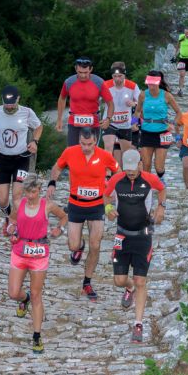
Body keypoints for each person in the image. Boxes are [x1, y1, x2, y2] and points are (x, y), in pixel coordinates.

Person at [47, 128, 119, 301]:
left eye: (90, 144)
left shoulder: (104, 155)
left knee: (96, 246)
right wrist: (52, 183)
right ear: (79, 140)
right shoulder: (70, 152)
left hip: (96, 206)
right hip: (76, 204)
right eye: (83, 144)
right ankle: (79, 247)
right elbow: (57, 168)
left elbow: (118, 171)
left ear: (96, 141)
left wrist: (110, 182)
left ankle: (87, 282)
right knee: (72, 245)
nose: (86, 147)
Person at [104, 149, 166, 343]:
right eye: (127, 169)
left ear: (140, 164)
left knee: (141, 281)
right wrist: (108, 209)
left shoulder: (149, 180)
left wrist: (161, 207)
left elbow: (162, 189)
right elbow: (106, 196)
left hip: (143, 235)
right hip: (121, 236)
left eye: (133, 168)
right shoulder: (116, 180)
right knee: (119, 280)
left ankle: (138, 324)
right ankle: (128, 288)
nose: (130, 172)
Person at [6, 174, 67, 354]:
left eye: (34, 191)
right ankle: (22, 299)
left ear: (39, 190)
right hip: (20, 251)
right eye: (28, 192)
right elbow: (13, 220)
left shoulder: (47, 205)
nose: (31, 195)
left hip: (39, 254)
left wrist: (59, 229)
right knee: (13, 292)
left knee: (36, 295)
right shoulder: (19, 203)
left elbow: (63, 217)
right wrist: (11, 229)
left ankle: (37, 336)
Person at [0, 85, 43, 235]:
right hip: (2, 159)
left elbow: (39, 126)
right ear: (2, 100)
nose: (9, 106)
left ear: (18, 99)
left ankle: (14, 224)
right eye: (6, 102)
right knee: (2, 200)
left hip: (21, 159)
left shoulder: (27, 112)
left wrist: (35, 141)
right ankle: (9, 217)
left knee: (17, 196)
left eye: (12, 102)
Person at [134, 70, 182, 183]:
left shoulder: (166, 95)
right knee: (146, 164)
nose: (150, 84)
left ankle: (161, 179)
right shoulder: (143, 95)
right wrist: (133, 123)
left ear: (158, 82)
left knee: (159, 166)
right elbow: (137, 112)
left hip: (162, 132)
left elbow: (179, 113)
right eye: (149, 82)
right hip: (146, 132)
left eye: (153, 82)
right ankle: (146, 186)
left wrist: (173, 124)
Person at [56, 57, 114, 146]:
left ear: (91, 69)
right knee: (73, 152)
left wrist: (108, 119)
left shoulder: (99, 82)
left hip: (93, 122)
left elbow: (110, 103)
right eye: (80, 72)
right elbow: (62, 98)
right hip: (74, 122)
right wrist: (59, 119)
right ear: (75, 69)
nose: (83, 75)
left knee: (91, 152)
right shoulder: (69, 82)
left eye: (86, 72)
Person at [102, 62, 140, 170]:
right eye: (114, 76)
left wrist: (134, 104)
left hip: (125, 124)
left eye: (120, 76)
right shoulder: (105, 85)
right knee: (108, 148)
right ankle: (107, 176)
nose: (117, 79)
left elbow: (141, 104)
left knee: (126, 154)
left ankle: (125, 175)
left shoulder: (132, 86)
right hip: (109, 122)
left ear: (125, 74)